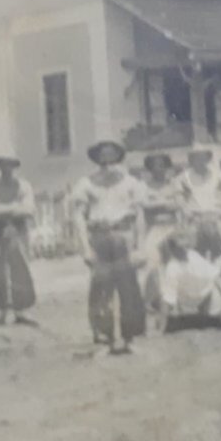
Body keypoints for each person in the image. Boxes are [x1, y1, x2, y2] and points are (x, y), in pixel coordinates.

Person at [71, 140, 148, 354]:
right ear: (97, 159)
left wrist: (140, 247)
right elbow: (78, 217)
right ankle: (104, 336)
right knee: (101, 287)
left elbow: (140, 216)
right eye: (103, 158)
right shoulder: (86, 184)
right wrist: (85, 247)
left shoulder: (131, 183)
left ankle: (130, 335)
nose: (108, 162)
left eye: (112, 157)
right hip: (99, 235)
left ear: (118, 158)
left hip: (124, 235)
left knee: (128, 286)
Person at [0, 150, 39, 326]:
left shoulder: (24, 186)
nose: (8, 168)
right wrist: (14, 206)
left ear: (15, 166)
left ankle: (21, 309)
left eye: (11, 164)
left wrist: (4, 209)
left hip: (17, 230)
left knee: (20, 268)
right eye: (4, 164)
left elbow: (29, 210)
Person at [140, 152, 181, 310]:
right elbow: (144, 205)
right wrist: (166, 203)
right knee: (152, 263)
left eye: (162, 166)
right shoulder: (144, 186)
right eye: (155, 166)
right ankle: (150, 300)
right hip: (154, 229)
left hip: (172, 227)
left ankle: (171, 299)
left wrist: (157, 202)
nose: (159, 169)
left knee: (172, 264)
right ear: (150, 168)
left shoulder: (174, 184)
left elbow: (178, 204)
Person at [177, 147, 221, 260]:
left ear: (208, 159)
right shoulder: (184, 178)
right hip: (195, 218)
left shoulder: (220, 176)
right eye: (196, 158)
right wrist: (189, 214)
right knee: (194, 248)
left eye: (203, 157)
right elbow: (181, 201)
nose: (200, 161)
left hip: (217, 217)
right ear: (191, 160)